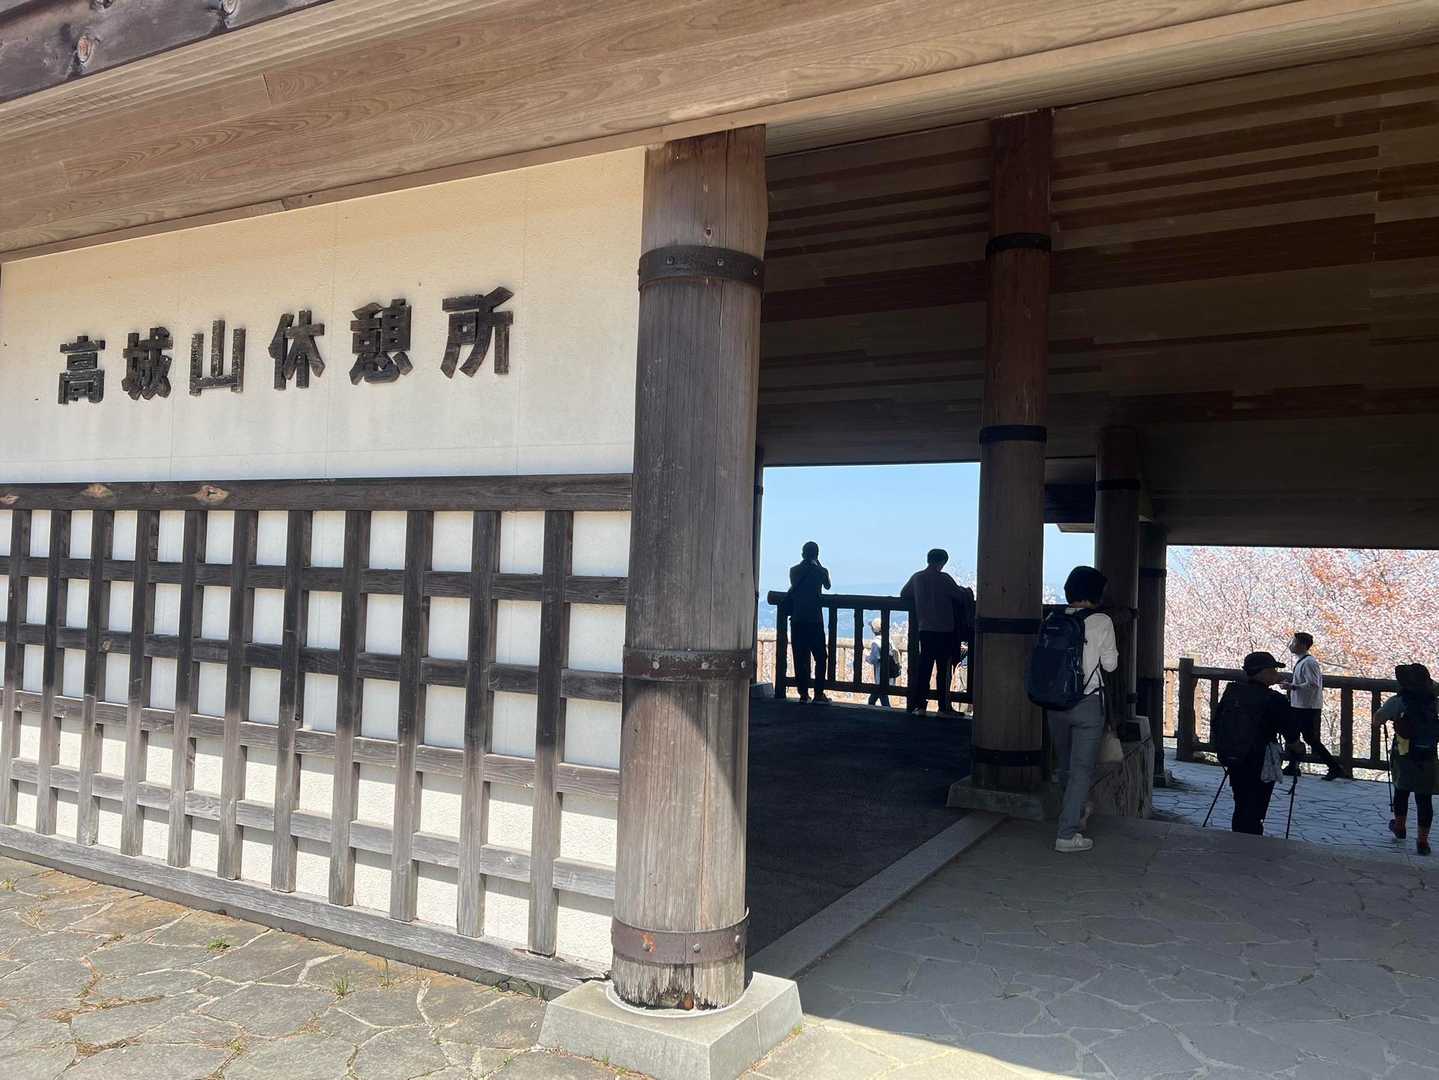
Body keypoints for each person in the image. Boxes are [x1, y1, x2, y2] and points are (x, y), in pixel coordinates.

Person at [1046, 566, 1118, 853]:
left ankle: (1075, 812)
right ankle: (1067, 833)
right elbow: (1110, 665)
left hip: (1054, 702)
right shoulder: (1102, 621)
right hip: (1087, 703)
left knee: (1065, 766)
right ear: (1097, 593)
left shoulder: (1053, 618)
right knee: (1081, 770)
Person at [1213, 652, 1302, 835]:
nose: (1276, 673)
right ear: (1262, 673)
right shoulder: (1274, 699)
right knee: (1256, 806)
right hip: (1261, 758)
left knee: (1241, 801)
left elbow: (1217, 721)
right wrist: (1297, 748)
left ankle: (1238, 836)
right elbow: (1291, 732)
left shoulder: (1233, 692)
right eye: (1272, 670)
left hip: (1235, 754)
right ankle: (1251, 841)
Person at [1374, 664, 1439, 856]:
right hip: (1428, 756)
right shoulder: (1433, 702)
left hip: (1404, 754)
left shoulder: (1399, 701)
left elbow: (1378, 719)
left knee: (1401, 791)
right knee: (1424, 798)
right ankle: (1423, 841)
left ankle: (1400, 827)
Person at [899, 549, 972, 715]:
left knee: (924, 668)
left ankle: (920, 706)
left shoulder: (917, 578)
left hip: (925, 628)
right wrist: (966, 591)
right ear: (943, 562)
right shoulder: (944, 579)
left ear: (928, 560)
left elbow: (904, 594)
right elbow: (960, 597)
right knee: (943, 670)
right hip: (945, 630)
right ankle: (943, 707)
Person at [1284, 632, 1345, 780]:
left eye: (1294, 643)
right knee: (1296, 735)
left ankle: (1334, 767)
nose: (1291, 645)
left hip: (1307, 706)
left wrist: (1293, 687)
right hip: (1301, 705)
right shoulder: (1303, 661)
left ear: (1303, 645)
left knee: (1308, 738)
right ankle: (1293, 765)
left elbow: (1313, 684)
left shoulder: (1309, 663)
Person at [787, 541, 831, 704]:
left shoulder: (794, 571)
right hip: (814, 620)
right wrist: (818, 564)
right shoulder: (820, 571)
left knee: (800, 657)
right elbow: (827, 585)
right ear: (816, 554)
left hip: (797, 619)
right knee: (821, 657)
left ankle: (803, 694)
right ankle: (818, 693)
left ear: (802, 553)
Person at [866, 616, 899, 707]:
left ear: (873, 630)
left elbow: (874, 659)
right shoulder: (889, 640)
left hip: (881, 673)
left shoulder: (875, 642)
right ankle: (871, 707)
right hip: (889, 672)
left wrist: (867, 657)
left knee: (882, 695)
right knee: (874, 697)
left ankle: (888, 711)